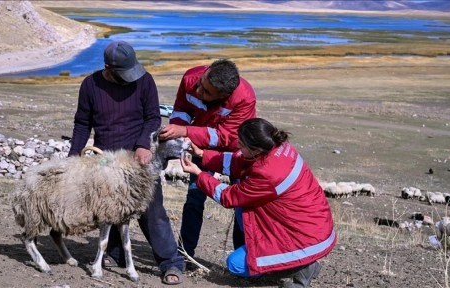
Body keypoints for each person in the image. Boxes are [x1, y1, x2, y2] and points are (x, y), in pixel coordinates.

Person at [68, 40, 184, 285]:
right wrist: (73, 157)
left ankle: (170, 263)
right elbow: (82, 123)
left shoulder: (144, 80)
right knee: (109, 209)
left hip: (137, 159)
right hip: (105, 159)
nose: (130, 78)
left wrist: (143, 144)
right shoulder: (90, 85)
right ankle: (115, 253)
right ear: (108, 68)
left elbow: (153, 116)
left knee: (152, 211)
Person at [180, 118, 336, 288]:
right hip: (307, 223)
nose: (238, 147)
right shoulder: (277, 147)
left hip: (304, 237)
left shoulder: (268, 173)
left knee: (236, 265)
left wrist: (199, 173)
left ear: (256, 150)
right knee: (243, 208)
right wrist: (203, 155)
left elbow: (228, 196)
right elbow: (239, 161)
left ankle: (301, 268)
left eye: (241, 144)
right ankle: (285, 261)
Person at [158, 59, 257, 265]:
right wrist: (177, 131)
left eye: (206, 91)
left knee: (242, 202)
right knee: (194, 197)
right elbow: (181, 109)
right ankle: (185, 254)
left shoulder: (244, 98)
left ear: (223, 95)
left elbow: (227, 137)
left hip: (236, 151)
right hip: (197, 144)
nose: (198, 89)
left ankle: (245, 258)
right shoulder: (190, 78)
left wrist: (186, 131)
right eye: (201, 82)